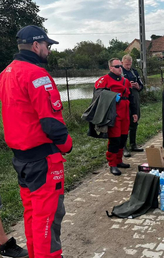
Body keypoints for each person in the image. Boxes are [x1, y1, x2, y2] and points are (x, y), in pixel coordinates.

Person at [0, 25, 73, 258]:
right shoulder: (37, 75)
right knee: (48, 219)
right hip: (43, 160)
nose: (49, 50)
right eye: (47, 45)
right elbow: (51, 124)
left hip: (21, 158)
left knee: (32, 214)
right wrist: (67, 145)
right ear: (35, 45)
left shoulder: (6, 73)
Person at [94, 58, 138, 176]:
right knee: (114, 139)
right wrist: (113, 97)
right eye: (117, 66)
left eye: (120, 66)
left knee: (123, 138)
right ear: (111, 68)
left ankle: (119, 161)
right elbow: (98, 95)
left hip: (125, 112)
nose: (120, 68)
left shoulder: (126, 81)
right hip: (113, 113)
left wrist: (134, 112)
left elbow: (131, 97)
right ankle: (112, 164)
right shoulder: (104, 80)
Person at [121, 54, 144, 157]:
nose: (128, 66)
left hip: (135, 97)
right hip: (124, 99)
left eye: (129, 64)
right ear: (122, 63)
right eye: (126, 64)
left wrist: (137, 86)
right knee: (125, 123)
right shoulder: (119, 72)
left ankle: (133, 144)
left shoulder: (134, 72)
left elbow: (141, 85)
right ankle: (123, 147)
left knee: (135, 120)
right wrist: (127, 85)